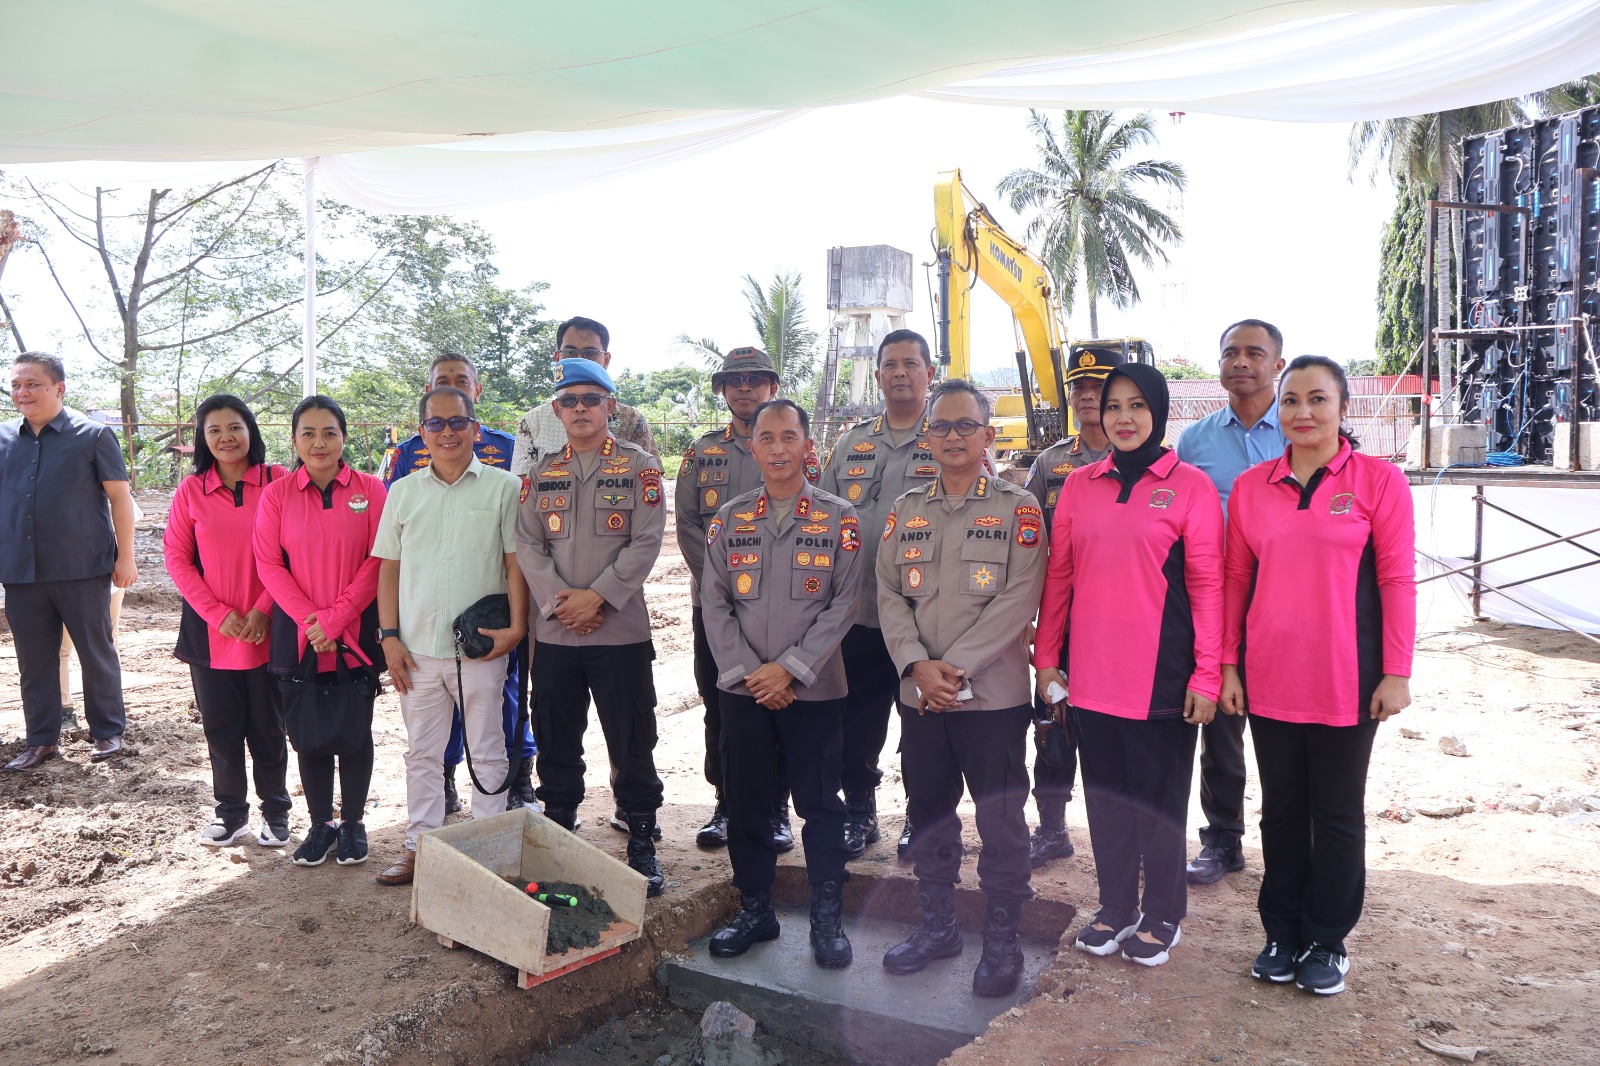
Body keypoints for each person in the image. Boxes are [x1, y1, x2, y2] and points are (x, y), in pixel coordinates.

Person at [1221, 355, 1415, 995]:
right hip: (1271, 676)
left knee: (1335, 813)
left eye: (1318, 399)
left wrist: (1396, 671)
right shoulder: (1252, 487)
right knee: (1279, 811)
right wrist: (1228, 664)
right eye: (1292, 401)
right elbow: (1235, 582)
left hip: (1348, 681)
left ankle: (1327, 941)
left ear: (1343, 407)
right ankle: (1280, 933)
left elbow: (1395, 580)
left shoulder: (1378, 482)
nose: (1303, 413)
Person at [1034, 363, 1223, 968]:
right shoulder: (1080, 487)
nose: (1123, 417)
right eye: (1113, 406)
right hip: (1090, 679)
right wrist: (1047, 663)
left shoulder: (1189, 485)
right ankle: (1116, 906)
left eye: (1137, 405)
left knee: (1158, 803)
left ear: (1159, 412)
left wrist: (1207, 674)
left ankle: (1164, 913)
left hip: (1160, 681)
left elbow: (1208, 587)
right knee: (1107, 801)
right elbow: (1058, 579)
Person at [876, 379, 1046, 998]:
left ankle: (1002, 942)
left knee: (1001, 823)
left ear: (987, 434)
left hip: (992, 699)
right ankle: (938, 928)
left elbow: (1019, 596)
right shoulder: (905, 508)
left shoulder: (1016, 508)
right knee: (929, 816)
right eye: (941, 427)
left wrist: (955, 668)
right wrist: (918, 665)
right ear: (928, 436)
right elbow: (889, 593)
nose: (952, 436)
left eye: (964, 426)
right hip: (921, 697)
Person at [700, 399, 861, 968]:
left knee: (820, 805)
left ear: (806, 445)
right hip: (745, 692)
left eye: (788, 437)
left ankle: (826, 915)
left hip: (813, 690)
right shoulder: (729, 519)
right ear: (753, 447)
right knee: (745, 803)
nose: (776, 449)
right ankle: (755, 908)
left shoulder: (841, 518)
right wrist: (750, 671)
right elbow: (713, 601)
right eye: (766, 438)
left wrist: (789, 669)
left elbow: (845, 602)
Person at [515, 358, 668, 895]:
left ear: (611, 406)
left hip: (620, 632)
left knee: (631, 740)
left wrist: (597, 597)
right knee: (557, 737)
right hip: (557, 633)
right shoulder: (542, 472)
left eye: (590, 399)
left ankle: (643, 839)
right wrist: (563, 604)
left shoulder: (640, 466)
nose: (580, 409)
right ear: (557, 410)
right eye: (570, 401)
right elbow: (528, 544)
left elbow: (647, 540)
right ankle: (559, 833)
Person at [372, 386, 527, 886]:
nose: (447, 433)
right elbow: (389, 571)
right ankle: (421, 847)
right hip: (415, 650)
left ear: (475, 430)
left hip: (480, 648)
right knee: (422, 752)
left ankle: (488, 854)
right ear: (422, 433)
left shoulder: (504, 488)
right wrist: (389, 637)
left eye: (457, 423)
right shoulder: (403, 492)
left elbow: (514, 564)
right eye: (435, 424)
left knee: (487, 748)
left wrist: (517, 628)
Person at [677, 346, 818, 851]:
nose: (744, 387)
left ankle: (776, 809)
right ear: (722, 390)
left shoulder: (798, 445)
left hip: (786, 610)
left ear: (771, 386)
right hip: (715, 610)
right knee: (723, 704)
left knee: (783, 704)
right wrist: (723, 586)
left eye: (755, 378)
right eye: (733, 380)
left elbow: (816, 523)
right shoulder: (701, 451)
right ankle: (727, 803)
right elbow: (690, 523)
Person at [818, 328, 941, 861]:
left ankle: (920, 817)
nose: (899, 373)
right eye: (889, 364)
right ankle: (860, 813)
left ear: (928, 374)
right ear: (877, 375)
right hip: (860, 614)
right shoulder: (853, 442)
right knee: (855, 723)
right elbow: (821, 515)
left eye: (910, 364)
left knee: (922, 725)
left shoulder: (949, 438)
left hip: (924, 619)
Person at [1175, 319, 1288, 885]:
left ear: (1277, 365)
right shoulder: (1194, 441)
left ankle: (1295, 838)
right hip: (1218, 601)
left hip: (1289, 603)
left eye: (1253, 353)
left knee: (1289, 725)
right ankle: (1223, 840)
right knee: (1221, 722)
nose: (1240, 362)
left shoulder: (1298, 432)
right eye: (1230, 353)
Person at [253, 395, 387, 867]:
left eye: (329, 432)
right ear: (293, 440)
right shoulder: (277, 495)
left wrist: (335, 620)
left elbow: (378, 561)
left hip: (355, 630)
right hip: (300, 634)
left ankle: (352, 823)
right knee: (307, 730)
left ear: (344, 437)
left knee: (354, 728)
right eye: (308, 433)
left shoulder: (371, 489)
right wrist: (314, 623)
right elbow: (268, 564)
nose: (319, 442)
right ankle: (320, 825)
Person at [163, 395, 292, 846]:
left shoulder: (279, 481)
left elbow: (291, 552)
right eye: (213, 429)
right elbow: (177, 560)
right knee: (220, 726)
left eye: (234, 427)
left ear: (251, 430)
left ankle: (276, 811)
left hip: (271, 624)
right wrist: (219, 616)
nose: (225, 437)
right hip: (211, 630)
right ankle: (231, 812)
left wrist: (262, 608)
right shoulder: (191, 490)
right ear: (202, 437)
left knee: (269, 725)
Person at [2, 352, 136, 771]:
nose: (23, 392)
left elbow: (120, 499)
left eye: (33, 384)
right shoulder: (4, 438)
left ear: (59, 388)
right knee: (33, 659)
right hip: (21, 571)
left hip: (83, 567)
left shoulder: (93, 436)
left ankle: (107, 731)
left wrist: (125, 556)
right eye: (17, 384)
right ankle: (41, 740)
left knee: (95, 651)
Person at [1019, 346, 1122, 868]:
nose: (1087, 395)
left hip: (1122, 626)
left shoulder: (1141, 460)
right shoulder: (1050, 463)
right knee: (1053, 723)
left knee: (1123, 733)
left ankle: (1132, 835)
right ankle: (1053, 828)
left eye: (1098, 385)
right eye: (1079, 387)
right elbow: (1027, 541)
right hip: (1060, 623)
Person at [509, 316, 656, 477]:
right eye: (570, 352)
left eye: (590, 352)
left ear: (606, 360)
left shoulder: (632, 420)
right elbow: (524, 487)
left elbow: (648, 482)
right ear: (557, 358)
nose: (579, 360)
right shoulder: (533, 422)